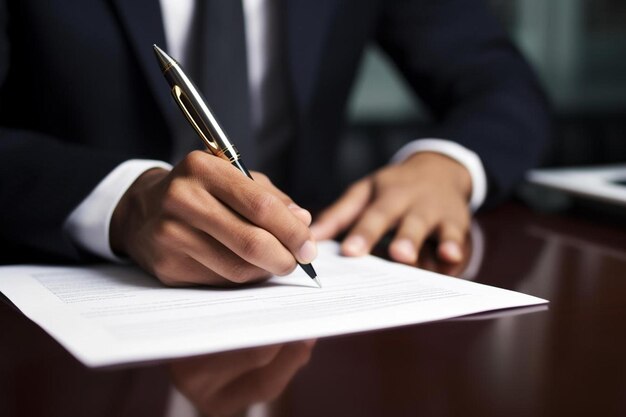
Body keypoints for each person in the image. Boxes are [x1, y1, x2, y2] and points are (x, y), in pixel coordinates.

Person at [0, 0, 549, 285]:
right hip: (66, 291)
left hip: (305, 286)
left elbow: (500, 83)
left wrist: (443, 165)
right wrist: (122, 202)